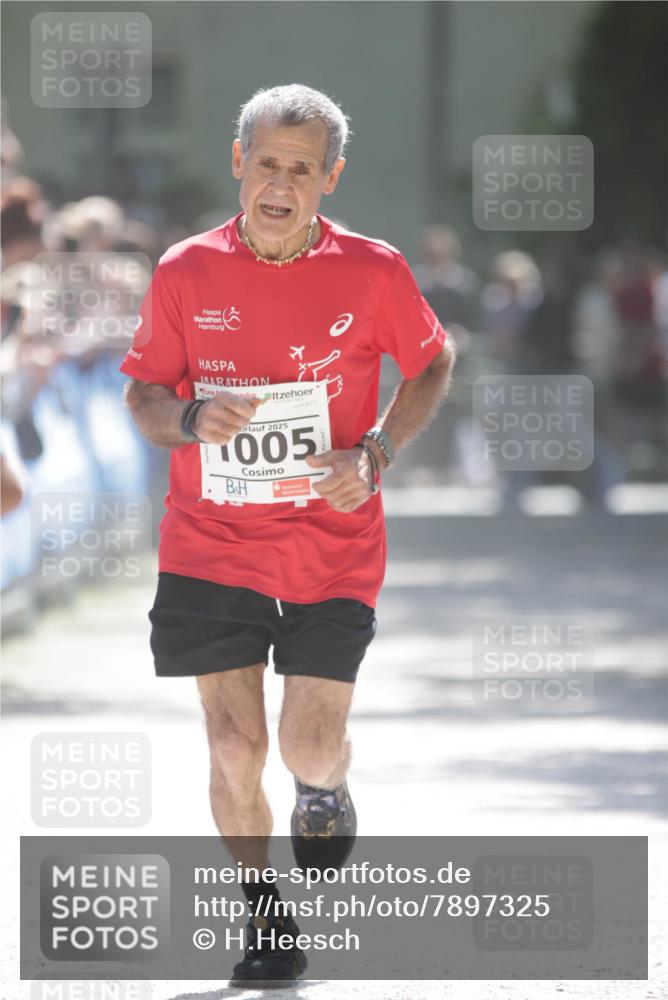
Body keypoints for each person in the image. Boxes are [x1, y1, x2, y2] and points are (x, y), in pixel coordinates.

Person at [120, 83, 455, 986]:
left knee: (304, 745)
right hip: (210, 538)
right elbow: (145, 394)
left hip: (332, 538)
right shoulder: (184, 271)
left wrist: (378, 450)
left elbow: (433, 361)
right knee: (233, 746)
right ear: (239, 162)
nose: (280, 183)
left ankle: (325, 786)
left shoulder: (374, 271)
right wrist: (190, 420)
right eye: (266, 162)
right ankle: (265, 919)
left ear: (329, 178)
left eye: (300, 169)